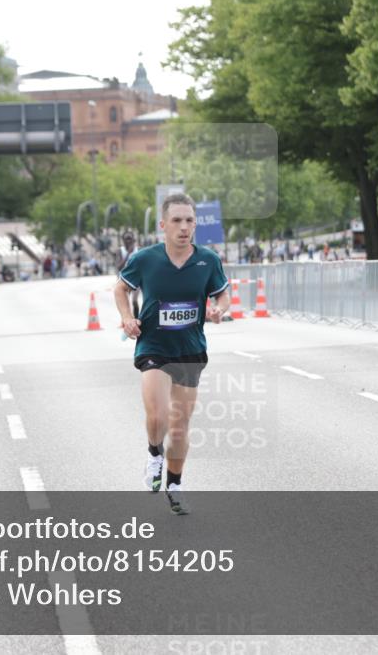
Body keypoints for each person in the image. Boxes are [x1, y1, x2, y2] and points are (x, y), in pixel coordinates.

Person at [114, 193, 230, 515]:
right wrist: (126, 318)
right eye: (177, 221)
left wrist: (219, 310)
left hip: (190, 349)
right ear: (163, 225)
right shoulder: (145, 259)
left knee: (179, 427)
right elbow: (121, 288)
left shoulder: (208, 260)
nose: (184, 227)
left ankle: (175, 486)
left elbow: (223, 295)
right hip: (153, 345)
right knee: (158, 417)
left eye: (189, 220)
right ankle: (154, 455)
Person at [118, 231, 141, 318]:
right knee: (125, 303)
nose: (128, 241)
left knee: (134, 301)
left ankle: (136, 319)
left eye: (130, 239)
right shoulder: (120, 250)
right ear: (123, 240)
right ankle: (126, 320)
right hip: (124, 280)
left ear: (133, 240)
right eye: (126, 239)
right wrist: (128, 254)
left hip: (137, 280)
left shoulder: (138, 250)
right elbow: (119, 267)